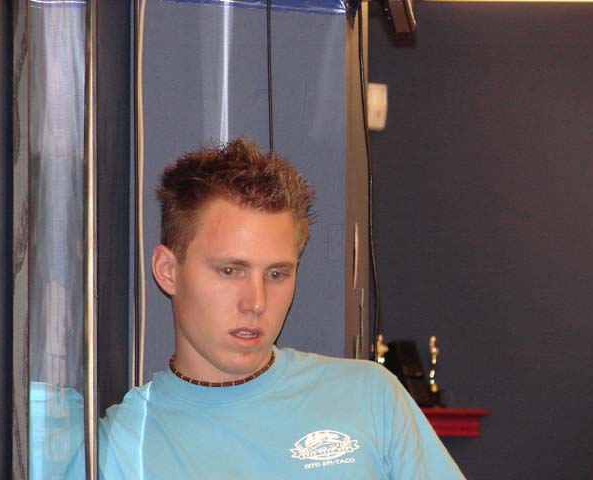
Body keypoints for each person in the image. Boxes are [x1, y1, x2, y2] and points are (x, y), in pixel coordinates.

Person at [97, 138, 465, 479]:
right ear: (167, 271)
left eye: (276, 274)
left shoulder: (369, 395)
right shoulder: (124, 442)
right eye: (230, 271)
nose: (256, 302)